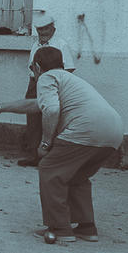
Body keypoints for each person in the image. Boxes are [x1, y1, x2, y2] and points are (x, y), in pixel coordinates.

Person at [0, 46, 123, 244]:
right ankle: (87, 227)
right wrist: (1, 107)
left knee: (49, 169)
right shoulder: (68, 79)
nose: (33, 72)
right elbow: (37, 104)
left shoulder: (46, 78)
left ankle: (60, 229)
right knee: (77, 175)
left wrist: (46, 143)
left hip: (84, 130)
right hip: (113, 132)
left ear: (37, 67)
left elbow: (52, 110)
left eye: (32, 68)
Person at [18, 13, 75, 167]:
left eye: (46, 29)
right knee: (33, 119)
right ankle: (33, 156)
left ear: (53, 29)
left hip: (53, 85)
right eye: (39, 29)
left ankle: (50, 158)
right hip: (35, 84)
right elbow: (32, 67)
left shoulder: (61, 44)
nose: (42, 32)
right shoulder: (36, 45)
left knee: (51, 119)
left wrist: (55, 84)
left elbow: (69, 68)